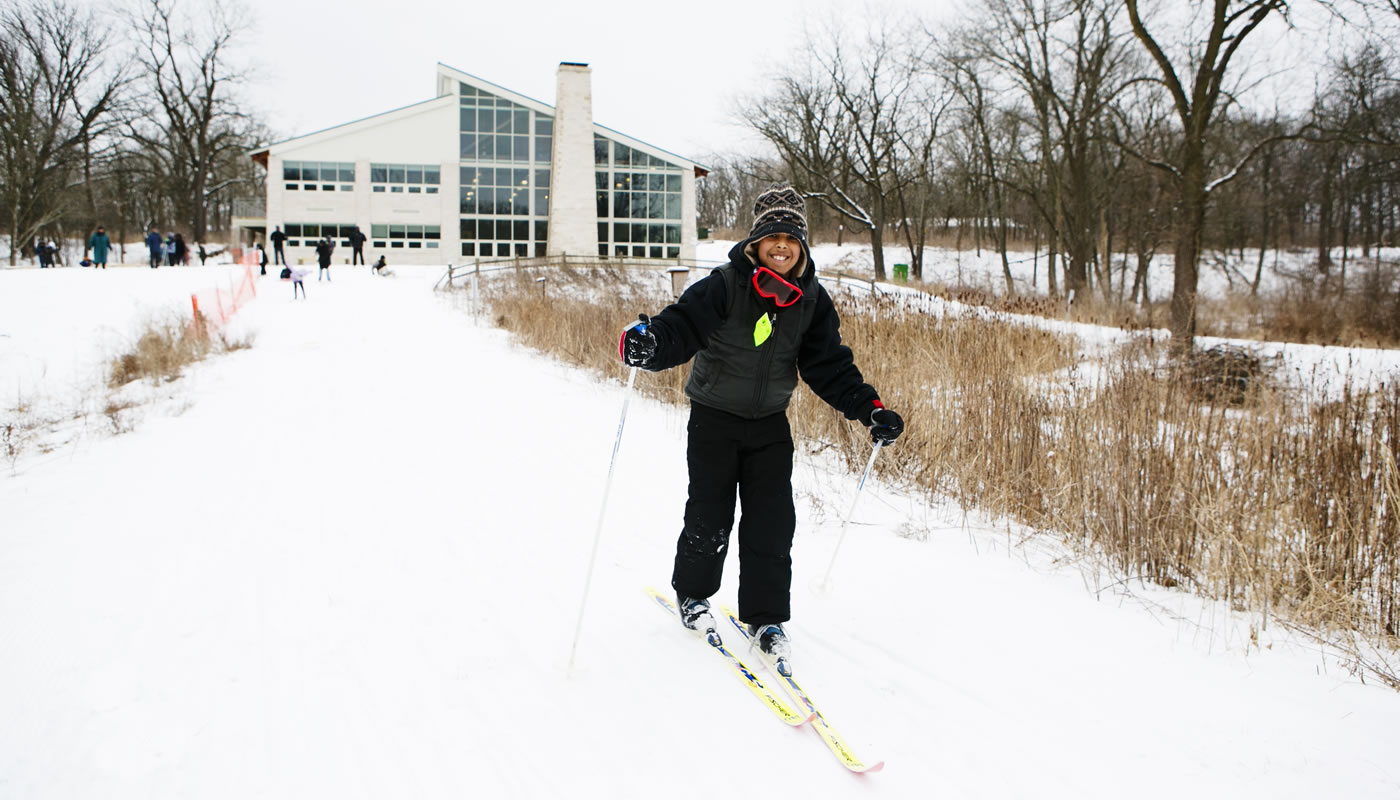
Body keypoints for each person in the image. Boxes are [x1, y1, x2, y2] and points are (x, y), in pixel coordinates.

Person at [618, 184, 905, 670]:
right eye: (772, 236)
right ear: (756, 243)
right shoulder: (725, 284)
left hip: (769, 424)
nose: (781, 246)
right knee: (709, 515)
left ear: (802, 248)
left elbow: (828, 365)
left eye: (791, 239)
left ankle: (766, 619)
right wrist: (649, 344)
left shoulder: (811, 299)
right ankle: (693, 595)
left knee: (772, 524)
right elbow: (680, 327)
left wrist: (868, 408)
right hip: (713, 418)